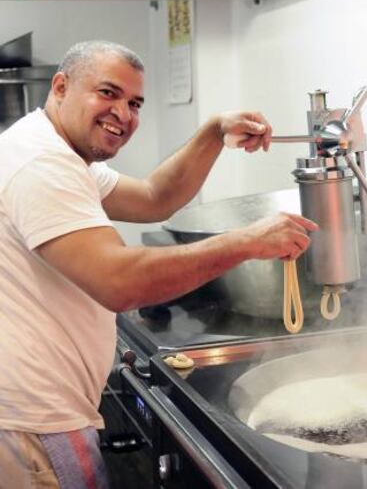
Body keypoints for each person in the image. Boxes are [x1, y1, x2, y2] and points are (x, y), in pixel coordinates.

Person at [0, 40, 318, 488]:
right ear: (60, 86)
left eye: (134, 103)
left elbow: (154, 198)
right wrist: (246, 241)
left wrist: (212, 133)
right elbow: (120, 282)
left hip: (35, 411)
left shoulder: (60, 153)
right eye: (107, 93)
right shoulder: (41, 164)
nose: (123, 114)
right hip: (33, 422)